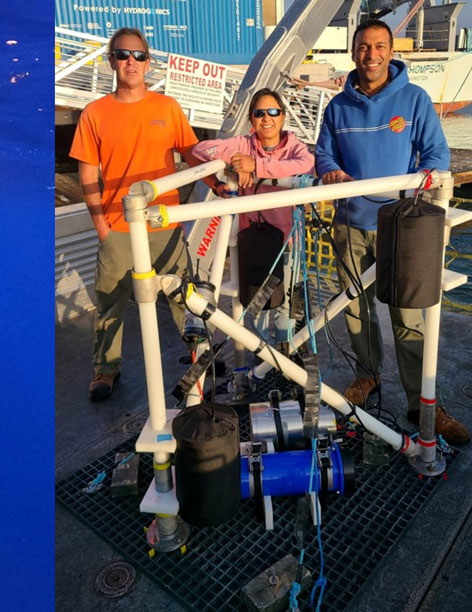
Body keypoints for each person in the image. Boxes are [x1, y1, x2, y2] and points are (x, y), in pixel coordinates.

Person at [315, 19, 470, 445]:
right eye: (364, 47)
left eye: (379, 46)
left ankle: (424, 401)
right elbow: (323, 154)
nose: (371, 55)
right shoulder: (337, 107)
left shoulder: (414, 99)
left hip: (400, 226)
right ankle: (367, 377)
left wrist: (418, 183)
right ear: (353, 52)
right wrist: (329, 173)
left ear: (390, 51)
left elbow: (436, 154)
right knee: (354, 307)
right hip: (350, 223)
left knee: (408, 314)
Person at [69, 27, 200, 402]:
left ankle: (200, 356)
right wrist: (101, 227)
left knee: (183, 296)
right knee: (110, 302)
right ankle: (105, 370)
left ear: (148, 63)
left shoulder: (167, 107)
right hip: (118, 228)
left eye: (139, 56)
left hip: (165, 223)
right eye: (123, 55)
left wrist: (225, 171)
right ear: (111, 60)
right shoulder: (95, 113)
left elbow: (192, 153)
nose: (131, 62)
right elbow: (88, 173)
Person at [191, 88, 314, 344]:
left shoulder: (295, 146)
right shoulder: (243, 144)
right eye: (259, 113)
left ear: (282, 118)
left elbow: (305, 165)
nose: (266, 118)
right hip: (255, 241)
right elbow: (201, 151)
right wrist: (237, 162)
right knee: (257, 305)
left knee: (286, 305)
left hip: (287, 241)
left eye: (273, 112)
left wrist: (257, 167)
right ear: (251, 119)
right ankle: (263, 359)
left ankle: (284, 359)